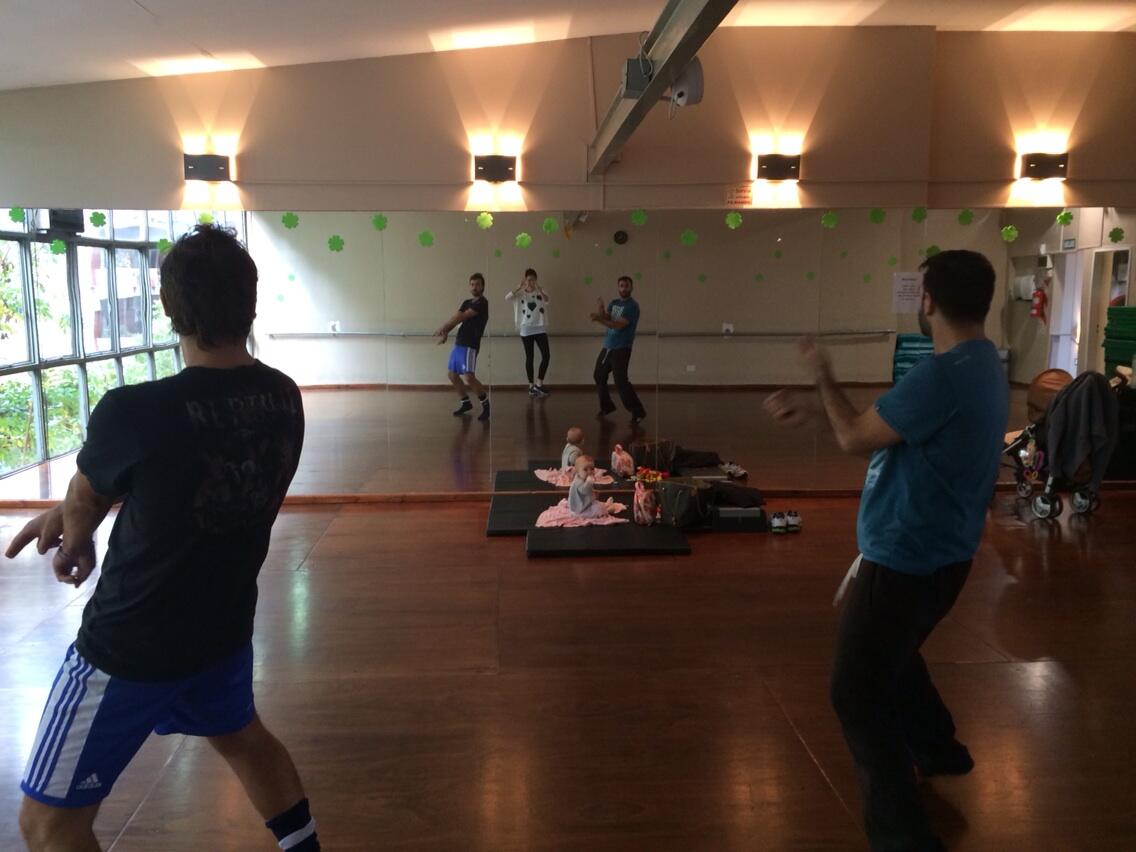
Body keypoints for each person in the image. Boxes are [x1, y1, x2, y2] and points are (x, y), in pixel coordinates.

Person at [5, 224, 318, 852]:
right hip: (222, 630)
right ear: (250, 303)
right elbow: (176, 474)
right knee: (243, 740)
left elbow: (89, 496)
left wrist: (76, 536)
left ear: (170, 306)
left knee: (47, 824)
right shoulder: (283, 398)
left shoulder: (134, 411)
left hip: (129, 647)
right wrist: (69, 513)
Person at [764, 249, 1008, 852]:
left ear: (928, 300)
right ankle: (938, 748)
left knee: (855, 688)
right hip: (947, 554)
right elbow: (889, 431)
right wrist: (821, 415)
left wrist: (823, 375)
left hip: (905, 556)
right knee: (893, 653)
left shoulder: (941, 376)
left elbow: (856, 435)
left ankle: (902, 835)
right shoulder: (984, 364)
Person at [591, 275, 646, 424]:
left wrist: (599, 319)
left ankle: (638, 412)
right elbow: (607, 317)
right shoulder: (614, 303)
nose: (623, 288)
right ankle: (607, 407)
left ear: (631, 288)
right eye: (621, 286)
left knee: (621, 381)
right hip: (608, 346)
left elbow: (617, 325)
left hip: (622, 348)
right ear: (618, 287)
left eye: (626, 286)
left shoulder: (632, 306)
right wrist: (601, 309)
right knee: (598, 375)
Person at [436, 272, 490, 421]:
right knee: (452, 375)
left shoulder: (482, 303)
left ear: (483, 287)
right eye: (472, 284)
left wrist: (443, 327)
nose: (474, 287)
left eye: (477, 284)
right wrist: (446, 331)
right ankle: (466, 402)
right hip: (459, 342)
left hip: (470, 344)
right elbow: (457, 318)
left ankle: (486, 405)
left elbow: (462, 316)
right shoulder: (466, 302)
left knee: (469, 377)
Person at [505, 267, 551, 397]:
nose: (531, 282)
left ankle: (539, 384)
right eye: (529, 280)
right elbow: (507, 298)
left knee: (546, 356)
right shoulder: (520, 294)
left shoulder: (540, 292)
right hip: (526, 329)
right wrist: (518, 288)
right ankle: (531, 386)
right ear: (525, 280)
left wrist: (540, 289)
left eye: (533, 280)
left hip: (540, 328)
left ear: (536, 280)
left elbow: (547, 300)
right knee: (529, 357)